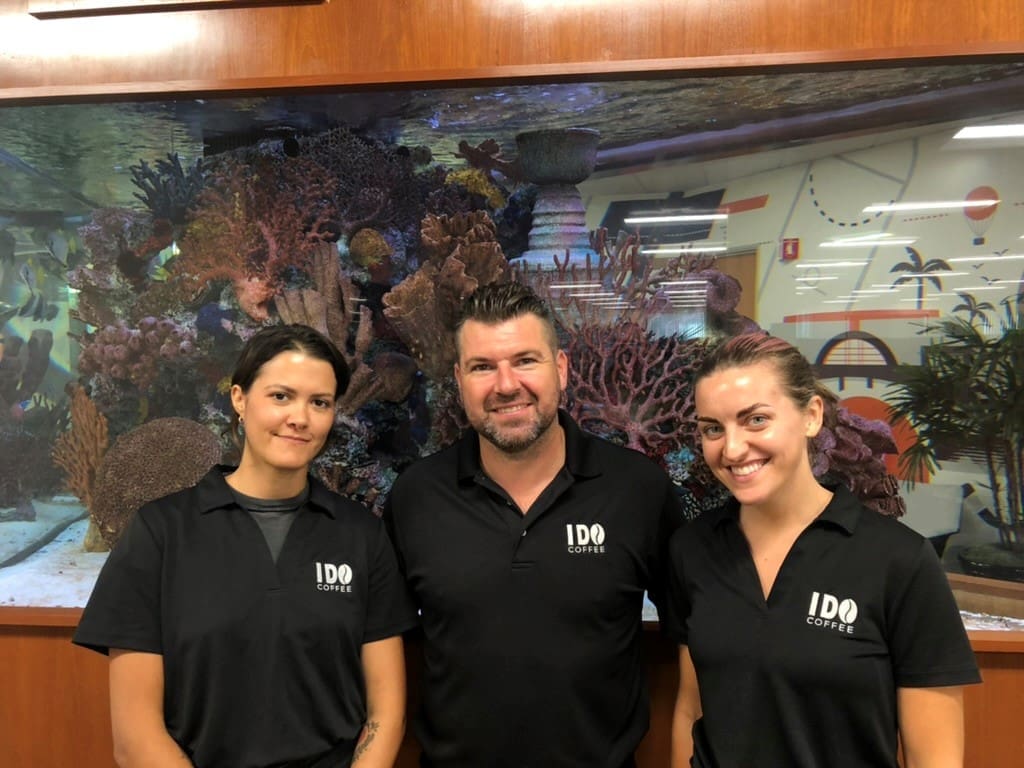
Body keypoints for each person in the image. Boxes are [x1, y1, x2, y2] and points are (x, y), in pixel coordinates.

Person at [74, 324, 417, 768]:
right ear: (240, 398)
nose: (300, 417)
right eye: (280, 396)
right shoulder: (161, 533)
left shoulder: (360, 534)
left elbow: (386, 713)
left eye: (320, 402)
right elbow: (136, 734)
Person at [385, 282, 687, 768]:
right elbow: (384, 655)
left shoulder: (637, 491)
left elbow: (697, 640)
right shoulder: (416, 496)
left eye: (526, 360)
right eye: (483, 367)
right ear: (459, 380)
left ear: (561, 369)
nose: (506, 385)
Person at [664, 332, 981, 768]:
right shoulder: (692, 549)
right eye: (712, 429)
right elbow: (691, 710)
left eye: (756, 420)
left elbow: (936, 759)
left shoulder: (899, 561)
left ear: (811, 415)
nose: (732, 449)